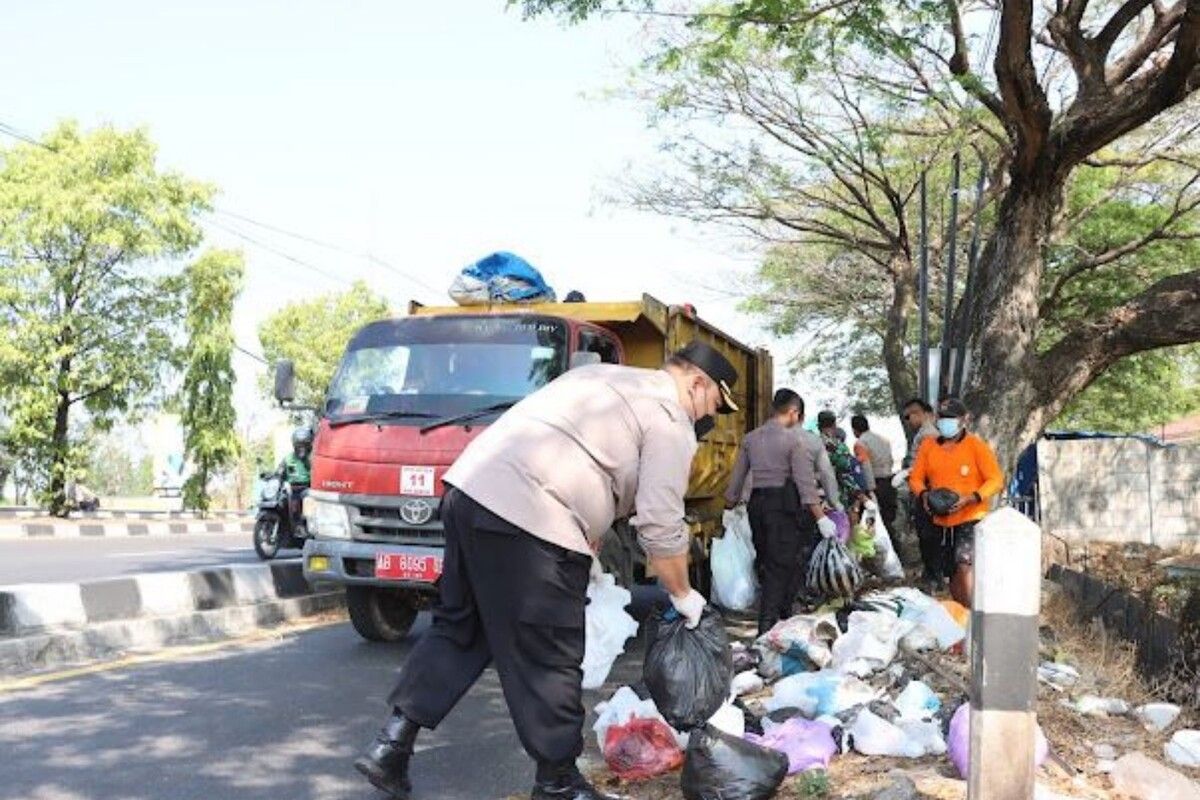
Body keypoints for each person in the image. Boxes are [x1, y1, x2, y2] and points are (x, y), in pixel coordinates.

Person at [354, 341, 740, 800]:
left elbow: (577, 453)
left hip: (467, 492)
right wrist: (682, 594)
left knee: (461, 627)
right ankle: (557, 782)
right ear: (697, 383)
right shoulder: (670, 417)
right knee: (551, 650)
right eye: (713, 405)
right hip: (531, 514)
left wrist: (588, 531)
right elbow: (660, 521)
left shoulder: (599, 378)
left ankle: (391, 745)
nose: (707, 416)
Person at [725, 389, 839, 634]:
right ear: (794, 412)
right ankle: (768, 624)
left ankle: (781, 615)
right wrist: (821, 517)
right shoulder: (794, 441)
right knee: (782, 565)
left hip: (757, 505)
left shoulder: (751, 438)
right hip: (784, 506)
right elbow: (805, 483)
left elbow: (737, 478)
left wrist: (730, 505)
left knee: (766, 561)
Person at [908, 397, 1003, 607]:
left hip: (970, 515)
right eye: (942, 418)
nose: (945, 422)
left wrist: (972, 497)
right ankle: (961, 613)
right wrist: (924, 495)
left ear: (964, 419)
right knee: (950, 570)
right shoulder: (928, 446)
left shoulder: (976, 446)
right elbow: (915, 478)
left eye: (951, 418)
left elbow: (996, 479)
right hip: (941, 518)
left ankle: (974, 615)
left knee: (964, 564)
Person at [900, 398, 941, 590]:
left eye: (909, 416)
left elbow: (928, 465)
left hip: (928, 491)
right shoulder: (923, 434)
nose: (908, 421)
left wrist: (910, 472)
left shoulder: (928, 434)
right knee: (925, 534)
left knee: (929, 534)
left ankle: (934, 575)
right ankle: (930, 573)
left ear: (919, 413)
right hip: (922, 489)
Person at [851, 415, 898, 551]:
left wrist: (870, 490)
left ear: (854, 429)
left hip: (876, 485)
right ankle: (896, 550)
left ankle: (881, 551)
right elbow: (890, 460)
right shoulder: (883, 439)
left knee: (874, 521)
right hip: (889, 482)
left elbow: (866, 466)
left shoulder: (860, 443)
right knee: (889, 520)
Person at [817, 411, 867, 517]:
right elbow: (845, 474)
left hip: (817, 501)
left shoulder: (813, 443)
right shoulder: (838, 446)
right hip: (837, 498)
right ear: (834, 425)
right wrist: (861, 496)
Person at [280, 427, 312, 522]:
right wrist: (275, 475)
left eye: (304, 445)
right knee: (283, 502)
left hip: (307, 488)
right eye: (299, 445)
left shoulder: (312, 458)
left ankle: (307, 524)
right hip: (291, 489)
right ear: (294, 445)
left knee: (309, 500)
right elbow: (280, 471)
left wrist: (307, 461)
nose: (301, 448)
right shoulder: (288, 458)